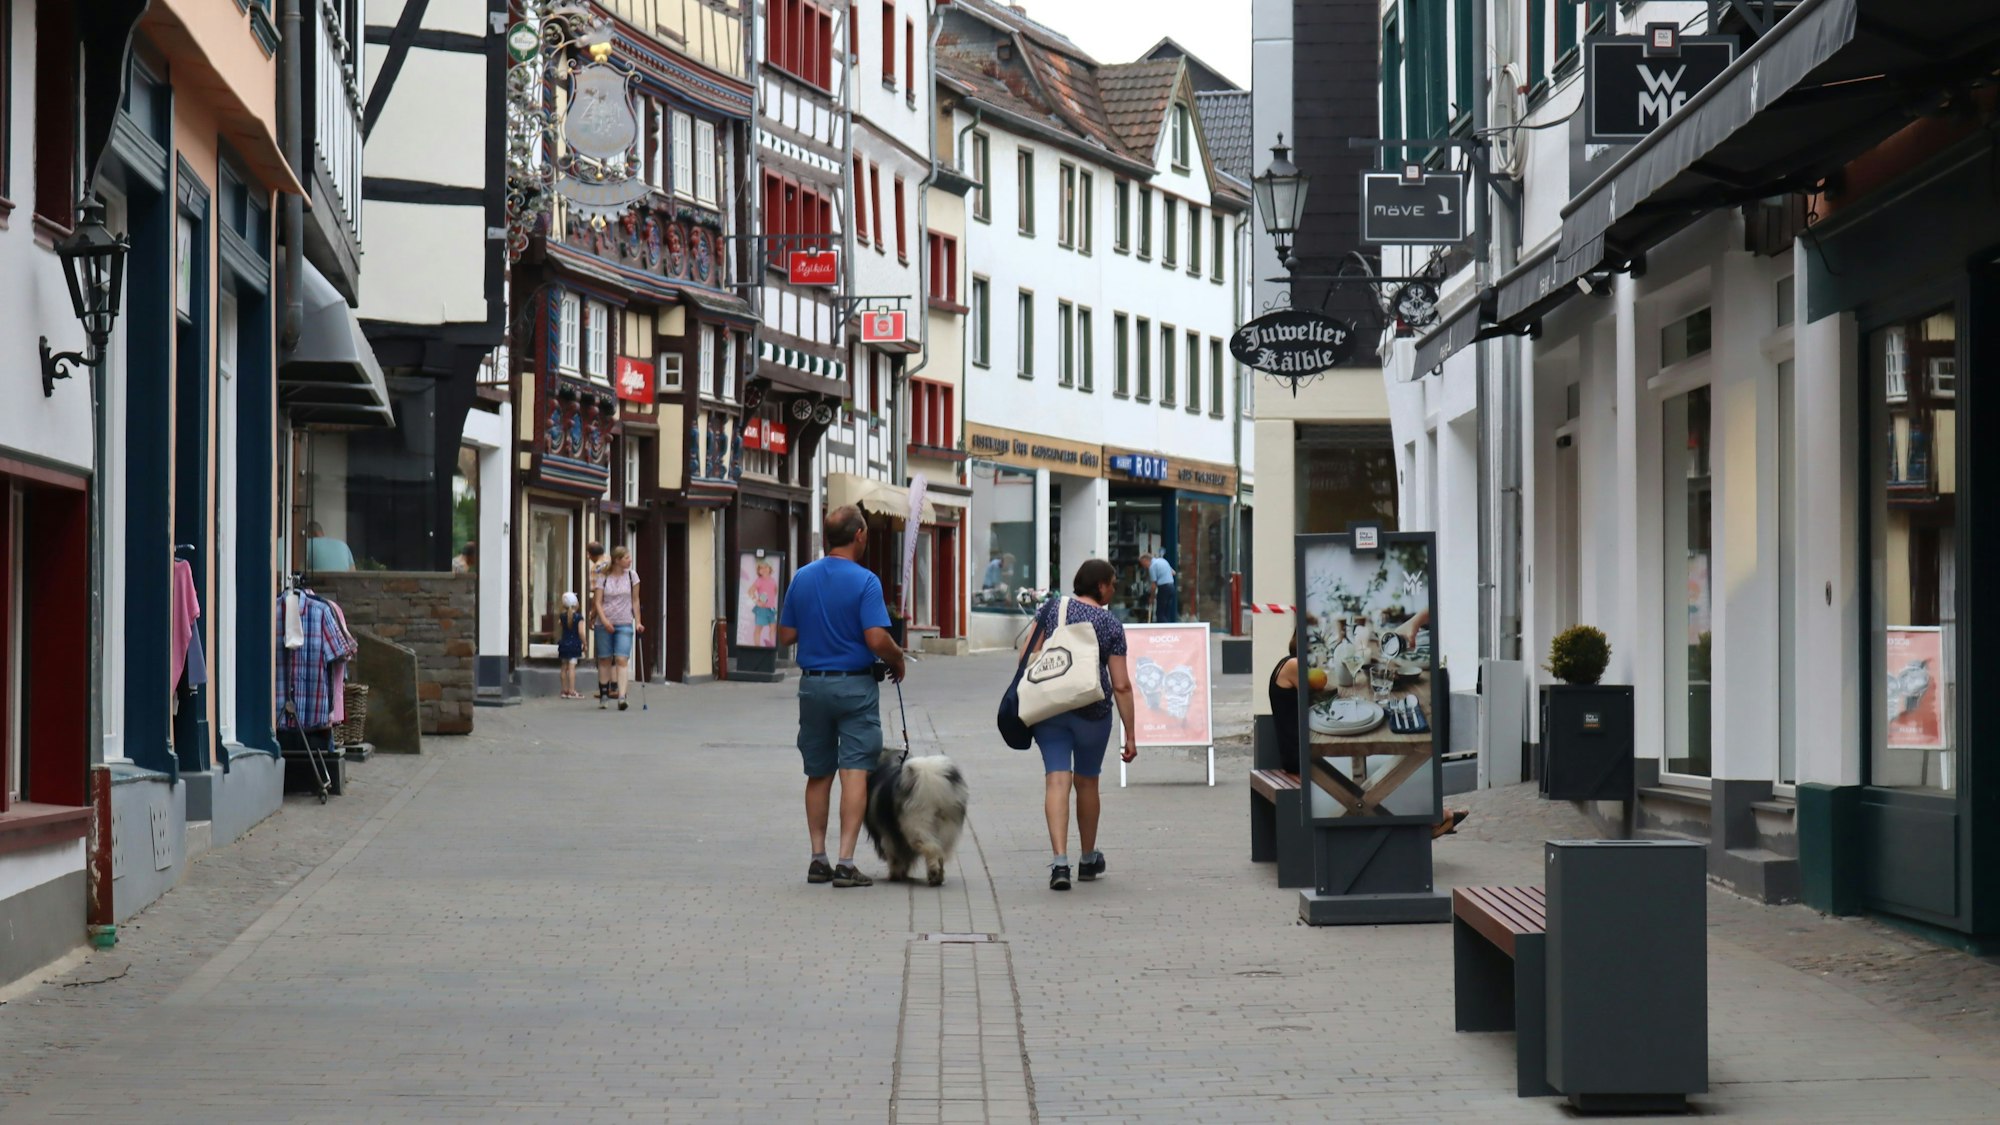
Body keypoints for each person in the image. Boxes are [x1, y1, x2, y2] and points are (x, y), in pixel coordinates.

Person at [777, 506, 907, 889]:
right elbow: (875, 638)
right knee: (855, 772)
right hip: (854, 687)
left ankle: (818, 858)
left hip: (812, 685)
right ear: (860, 535)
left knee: (818, 773)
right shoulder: (866, 582)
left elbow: (785, 635)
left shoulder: (802, 577)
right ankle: (846, 863)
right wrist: (897, 657)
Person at [1271, 630, 1469, 838]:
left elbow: (1323, 688)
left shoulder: (1290, 664)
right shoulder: (1293, 665)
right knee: (1379, 777)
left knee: (1374, 779)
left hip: (1298, 748)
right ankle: (1429, 822)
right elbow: (1321, 685)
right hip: (1297, 757)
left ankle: (1431, 818)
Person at [1020, 559, 1137, 891]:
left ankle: (1060, 864)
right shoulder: (1111, 624)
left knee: (1056, 780)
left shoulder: (1051, 609)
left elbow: (1025, 658)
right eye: (1112, 583)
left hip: (1049, 709)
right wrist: (1131, 734)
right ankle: (1087, 858)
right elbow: (1122, 684)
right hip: (1092, 711)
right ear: (1100, 586)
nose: (1114, 589)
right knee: (1087, 783)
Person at [592, 546, 644, 711]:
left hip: (624, 622)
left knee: (622, 659)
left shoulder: (632, 576)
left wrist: (638, 622)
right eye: (627, 558)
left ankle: (622, 696)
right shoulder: (603, 577)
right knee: (605, 659)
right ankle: (604, 694)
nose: (630, 560)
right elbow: (598, 602)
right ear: (617, 560)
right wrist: (605, 621)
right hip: (604, 624)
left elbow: (635, 600)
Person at [586, 541, 609, 700]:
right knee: (617, 655)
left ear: (590, 554)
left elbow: (597, 595)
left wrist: (592, 615)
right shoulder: (610, 561)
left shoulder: (597, 568)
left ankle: (605, 690)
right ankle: (616, 687)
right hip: (619, 610)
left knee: (604, 654)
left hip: (604, 612)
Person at [556, 592, 587, 699]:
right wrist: (585, 643)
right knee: (572, 667)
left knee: (563, 667)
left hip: (564, 644)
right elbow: (581, 632)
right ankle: (572, 690)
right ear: (576, 604)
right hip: (574, 645)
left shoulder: (562, 617)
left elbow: (560, 625)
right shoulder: (578, 618)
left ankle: (564, 690)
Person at [749, 560, 780, 646]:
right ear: (758, 571)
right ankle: (757, 647)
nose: (764, 569)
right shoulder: (759, 580)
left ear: (770, 569)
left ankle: (772, 646)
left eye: (766, 567)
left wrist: (768, 599)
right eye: (761, 568)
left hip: (771, 609)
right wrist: (756, 601)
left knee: (773, 628)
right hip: (762, 609)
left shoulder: (773, 580)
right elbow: (750, 591)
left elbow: (774, 592)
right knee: (758, 629)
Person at [1140, 552, 1178, 623]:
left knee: (1160, 614)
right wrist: (1164, 574)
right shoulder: (1162, 561)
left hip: (1163, 588)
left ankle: (1163, 631)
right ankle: (1168, 629)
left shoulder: (1152, 567)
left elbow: (1154, 585)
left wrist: (1151, 598)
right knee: (1166, 613)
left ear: (1146, 560)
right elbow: (1173, 572)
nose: (1143, 566)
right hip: (1171, 587)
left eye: (1143, 564)